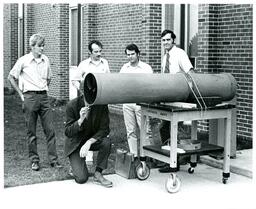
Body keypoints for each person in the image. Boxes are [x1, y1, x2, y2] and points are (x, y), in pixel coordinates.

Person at [8, 33, 62, 171]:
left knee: (50, 130)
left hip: (44, 97)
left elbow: (49, 78)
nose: (42, 48)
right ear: (32, 47)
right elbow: (11, 77)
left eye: (43, 45)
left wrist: (43, 89)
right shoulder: (23, 60)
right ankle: (34, 160)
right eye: (39, 46)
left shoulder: (46, 60)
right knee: (31, 131)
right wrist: (21, 95)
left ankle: (53, 160)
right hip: (29, 97)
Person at [64, 81, 113, 187]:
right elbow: (68, 132)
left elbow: (104, 129)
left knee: (106, 141)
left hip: (90, 140)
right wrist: (80, 120)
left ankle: (98, 173)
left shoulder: (101, 104)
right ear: (83, 93)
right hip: (75, 143)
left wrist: (89, 142)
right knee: (82, 178)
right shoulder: (72, 105)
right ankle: (75, 166)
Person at [159, 29, 194, 173]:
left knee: (172, 129)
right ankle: (172, 158)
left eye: (168, 40)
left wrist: (186, 93)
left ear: (173, 40)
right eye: (163, 40)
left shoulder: (180, 54)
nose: (165, 42)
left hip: (179, 98)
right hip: (168, 97)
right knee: (165, 128)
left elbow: (190, 72)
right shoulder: (165, 56)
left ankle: (175, 161)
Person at [120, 43, 153, 159]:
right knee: (130, 131)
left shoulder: (146, 68)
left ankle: (148, 156)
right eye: (128, 54)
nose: (130, 57)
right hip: (128, 103)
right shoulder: (124, 68)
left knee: (145, 131)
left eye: (132, 54)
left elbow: (151, 85)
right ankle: (133, 155)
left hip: (141, 103)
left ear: (138, 54)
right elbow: (120, 84)